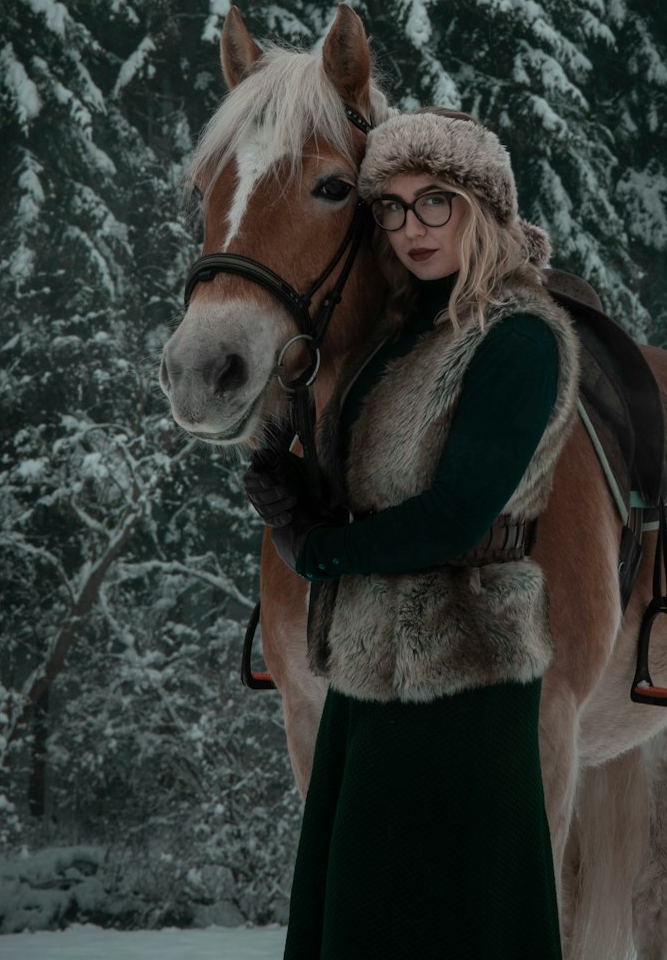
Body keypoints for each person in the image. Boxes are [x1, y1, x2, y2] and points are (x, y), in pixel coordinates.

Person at [243, 109, 580, 960]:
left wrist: (319, 549)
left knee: (454, 926)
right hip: (367, 670)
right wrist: (295, 491)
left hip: (462, 677)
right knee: (356, 917)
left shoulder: (519, 337)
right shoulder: (401, 338)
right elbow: (375, 489)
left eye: (435, 202)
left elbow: (456, 515)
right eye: (389, 208)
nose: (409, 228)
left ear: (483, 205)